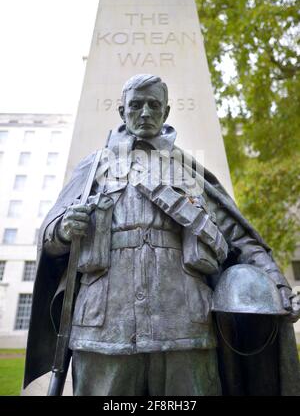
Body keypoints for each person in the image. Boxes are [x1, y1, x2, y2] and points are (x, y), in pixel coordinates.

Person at [24, 74, 300, 396]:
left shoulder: (188, 169)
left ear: (166, 112)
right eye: (136, 105)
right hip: (103, 329)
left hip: (184, 326)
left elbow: (240, 238)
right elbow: (48, 234)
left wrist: (278, 284)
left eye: (154, 105)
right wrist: (63, 229)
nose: (145, 113)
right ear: (121, 111)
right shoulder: (93, 167)